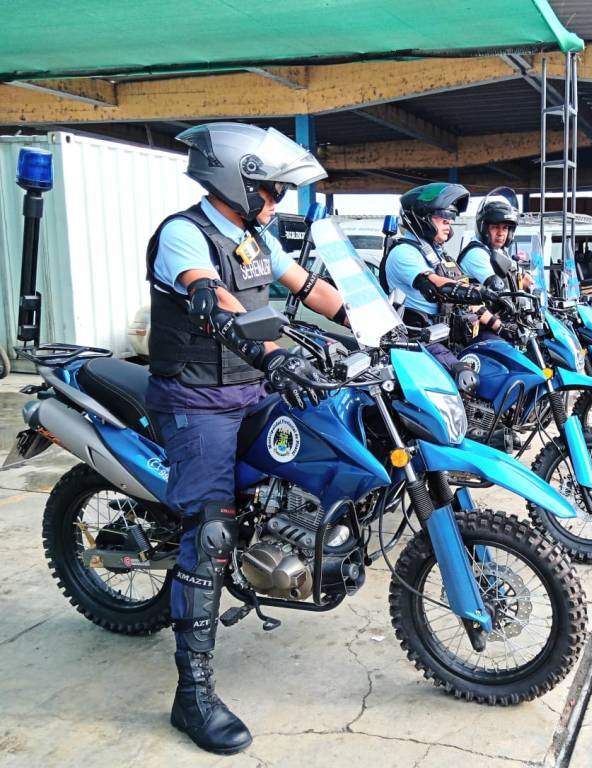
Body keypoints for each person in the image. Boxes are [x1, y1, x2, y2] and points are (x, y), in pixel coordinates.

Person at [145, 122, 347, 754]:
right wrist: (273, 353)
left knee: (331, 436)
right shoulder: (184, 235)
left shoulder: (255, 238)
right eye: (274, 190)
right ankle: (193, 694)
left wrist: (379, 322)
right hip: (195, 398)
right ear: (238, 182)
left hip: (251, 390)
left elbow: (310, 289)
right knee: (211, 533)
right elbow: (211, 301)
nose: (279, 201)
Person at [380, 182, 509, 379]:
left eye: (450, 220)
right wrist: (478, 291)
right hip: (420, 341)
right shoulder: (404, 253)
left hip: (448, 337)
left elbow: (468, 303)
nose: (449, 225)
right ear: (422, 218)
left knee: (501, 358)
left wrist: (500, 327)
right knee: (466, 380)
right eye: (443, 219)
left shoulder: (439, 255)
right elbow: (435, 286)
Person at [457, 186, 533, 292]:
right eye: (495, 227)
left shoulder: (499, 252)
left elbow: (514, 276)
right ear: (484, 229)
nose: (501, 233)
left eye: (505, 228)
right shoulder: (476, 253)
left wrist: (525, 276)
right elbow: (498, 286)